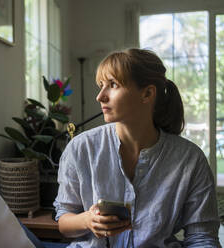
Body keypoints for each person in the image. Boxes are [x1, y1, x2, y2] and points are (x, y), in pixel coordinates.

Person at [53, 48, 221, 247]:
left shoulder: (190, 159)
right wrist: (87, 220)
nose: (100, 96)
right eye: (101, 85)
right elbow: (64, 221)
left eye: (113, 85)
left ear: (147, 93)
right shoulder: (81, 148)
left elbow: (202, 237)